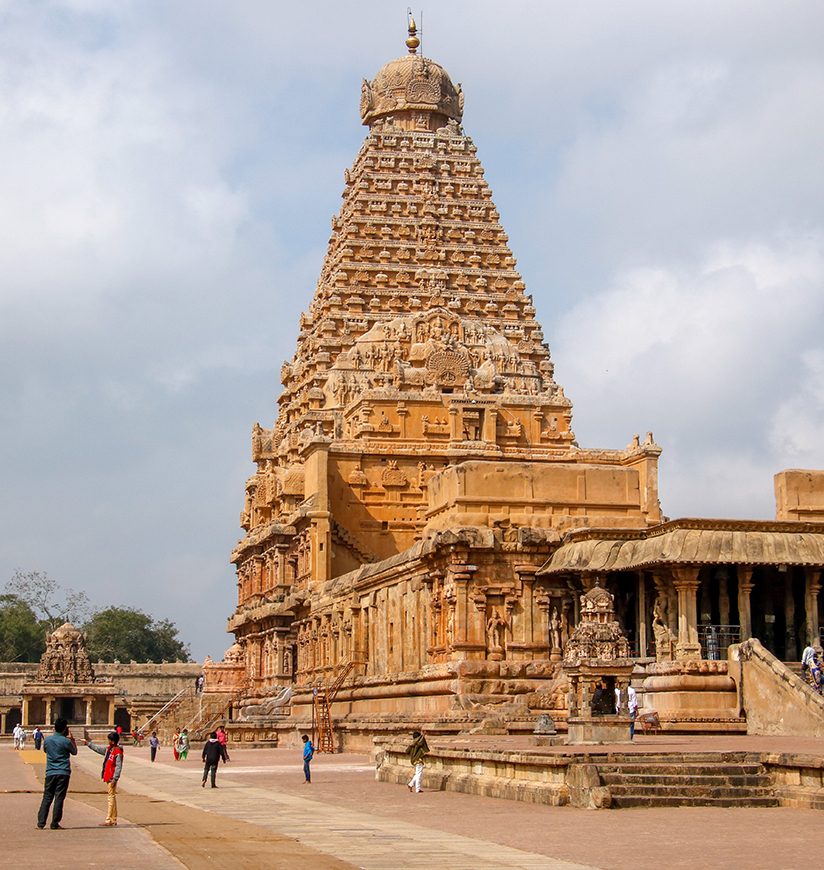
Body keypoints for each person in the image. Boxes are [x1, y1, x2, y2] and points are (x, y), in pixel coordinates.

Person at [37, 717, 77, 830]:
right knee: (59, 797)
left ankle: (41, 822)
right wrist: (72, 739)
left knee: (47, 796)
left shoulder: (48, 740)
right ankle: (54, 823)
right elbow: (74, 752)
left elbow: (45, 750)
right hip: (63, 772)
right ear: (65, 729)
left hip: (50, 772)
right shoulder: (66, 741)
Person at [84, 731, 124, 827]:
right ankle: (113, 818)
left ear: (113, 741)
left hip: (111, 777)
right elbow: (98, 749)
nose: (108, 741)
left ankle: (109, 819)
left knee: (110, 797)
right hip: (108, 776)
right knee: (112, 797)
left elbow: (118, 766)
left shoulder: (117, 751)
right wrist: (88, 744)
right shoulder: (109, 750)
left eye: (109, 740)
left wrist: (115, 778)